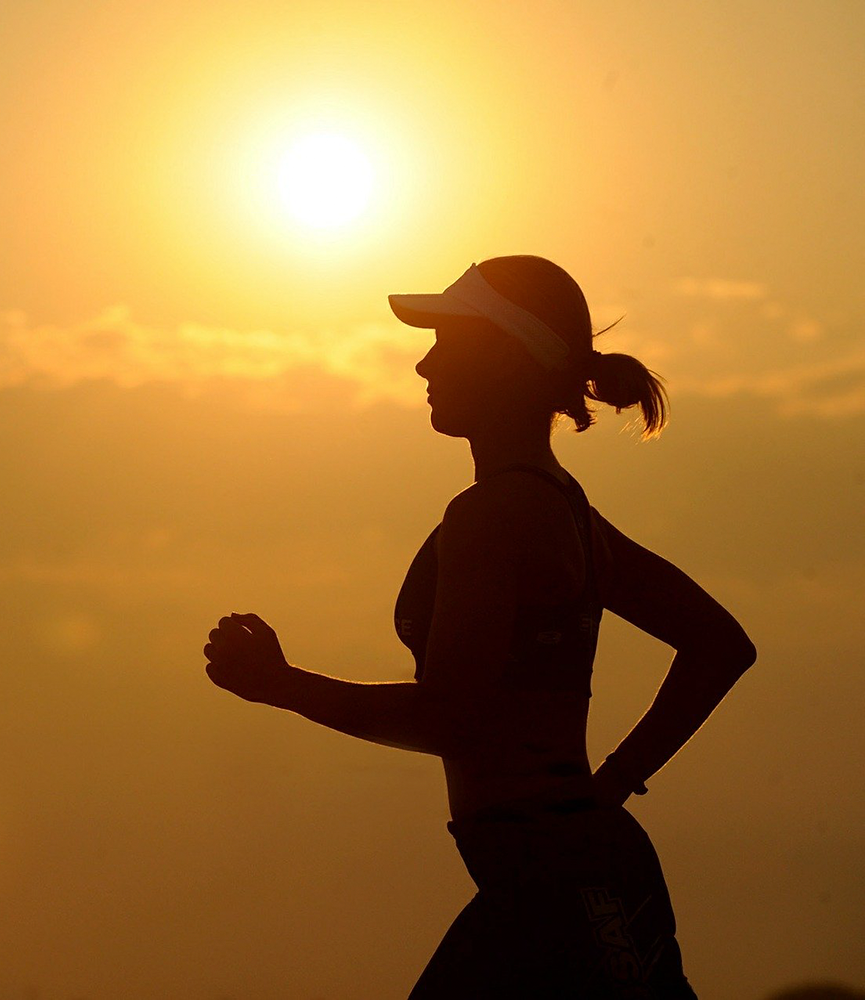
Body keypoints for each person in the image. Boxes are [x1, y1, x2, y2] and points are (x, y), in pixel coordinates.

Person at [204, 255, 757, 998]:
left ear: (507, 358)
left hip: (557, 883)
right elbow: (721, 645)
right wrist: (615, 782)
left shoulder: (494, 515)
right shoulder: (566, 512)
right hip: (561, 870)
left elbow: (452, 717)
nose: (422, 363)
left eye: (447, 342)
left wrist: (282, 685)